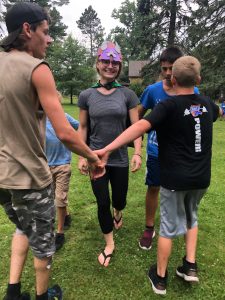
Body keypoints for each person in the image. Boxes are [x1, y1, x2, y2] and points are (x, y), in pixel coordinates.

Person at [0, 3, 103, 300]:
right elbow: (65, 132)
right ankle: (44, 296)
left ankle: (13, 292)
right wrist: (93, 156)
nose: (50, 39)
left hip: (2, 181)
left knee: (23, 227)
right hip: (30, 177)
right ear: (27, 30)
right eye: (46, 32)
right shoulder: (37, 69)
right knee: (43, 246)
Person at [94, 56, 222, 294]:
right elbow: (216, 113)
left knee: (168, 228)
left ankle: (160, 278)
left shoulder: (168, 106)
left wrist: (107, 148)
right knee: (191, 217)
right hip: (202, 179)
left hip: (174, 179)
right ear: (198, 80)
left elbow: (139, 127)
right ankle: (189, 266)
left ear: (173, 79)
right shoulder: (206, 103)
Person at [78, 41, 142, 267]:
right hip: (95, 159)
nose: (110, 66)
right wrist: (81, 154)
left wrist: (137, 153)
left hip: (120, 159)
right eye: (106, 61)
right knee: (102, 202)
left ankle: (119, 211)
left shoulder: (128, 94)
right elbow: (83, 127)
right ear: (97, 64)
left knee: (119, 199)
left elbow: (136, 126)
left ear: (119, 66)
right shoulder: (86, 95)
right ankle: (109, 244)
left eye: (115, 62)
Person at [138, 46, 199, 250]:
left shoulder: (193, 91)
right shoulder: (153, 90)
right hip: (156, 151)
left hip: (182, 154)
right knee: (154, 187)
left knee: (181, 191)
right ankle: (149, 227)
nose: (167, 73)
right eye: (163, 68)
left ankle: (182, 228)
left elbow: (198, 117)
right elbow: (137, 114)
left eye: (171, 68)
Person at [46, 91, 79, 251]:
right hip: (44, 166)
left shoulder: (65, 117)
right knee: (52, 197)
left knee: (60, 198)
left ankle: (59, 232)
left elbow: (81, 127)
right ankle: (65, 216)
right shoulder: (39, 119)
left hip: (62, 165)